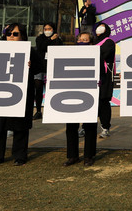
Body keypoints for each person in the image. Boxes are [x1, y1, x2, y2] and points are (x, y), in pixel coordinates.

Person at [0, 23, 35, 167]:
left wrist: (31, 65)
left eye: (15, 34)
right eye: (9, 34)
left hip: (21, 93)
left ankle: (20, 155)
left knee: (20, 126)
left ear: (22, 36)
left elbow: (41, 67)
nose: (11, 37)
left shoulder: (30, 51)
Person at [64, 32, 98, 167]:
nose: (82, 41)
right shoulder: (69, 54)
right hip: (71, 93)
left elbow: (101, 71)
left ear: (90, 42)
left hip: (89, 93)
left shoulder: (96, 55)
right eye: (80, 39)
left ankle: (89, 156)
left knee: (89, 126)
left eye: (86, 40)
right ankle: (72, 156)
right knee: (71, 126)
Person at [32, 23, 61, 120]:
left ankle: (52, 110)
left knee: (52, 88)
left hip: (52, 66)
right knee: (38, 88)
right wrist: (50, 40)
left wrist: (55, 40)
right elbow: (41, 47)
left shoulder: (58, 39)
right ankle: (38, 110)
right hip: (40, 66)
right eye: (45, 29)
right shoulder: (40, 38)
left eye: (49, 28)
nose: (47, 30)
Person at [95, 22, 115, 139]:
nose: (99, 29)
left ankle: (105, 127)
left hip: (104, 77)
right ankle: (85, 127)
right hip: (92, 75)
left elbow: (101, 54)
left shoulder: (109, 42)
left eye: (102, 27)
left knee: (103, 101)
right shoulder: (94, 42)